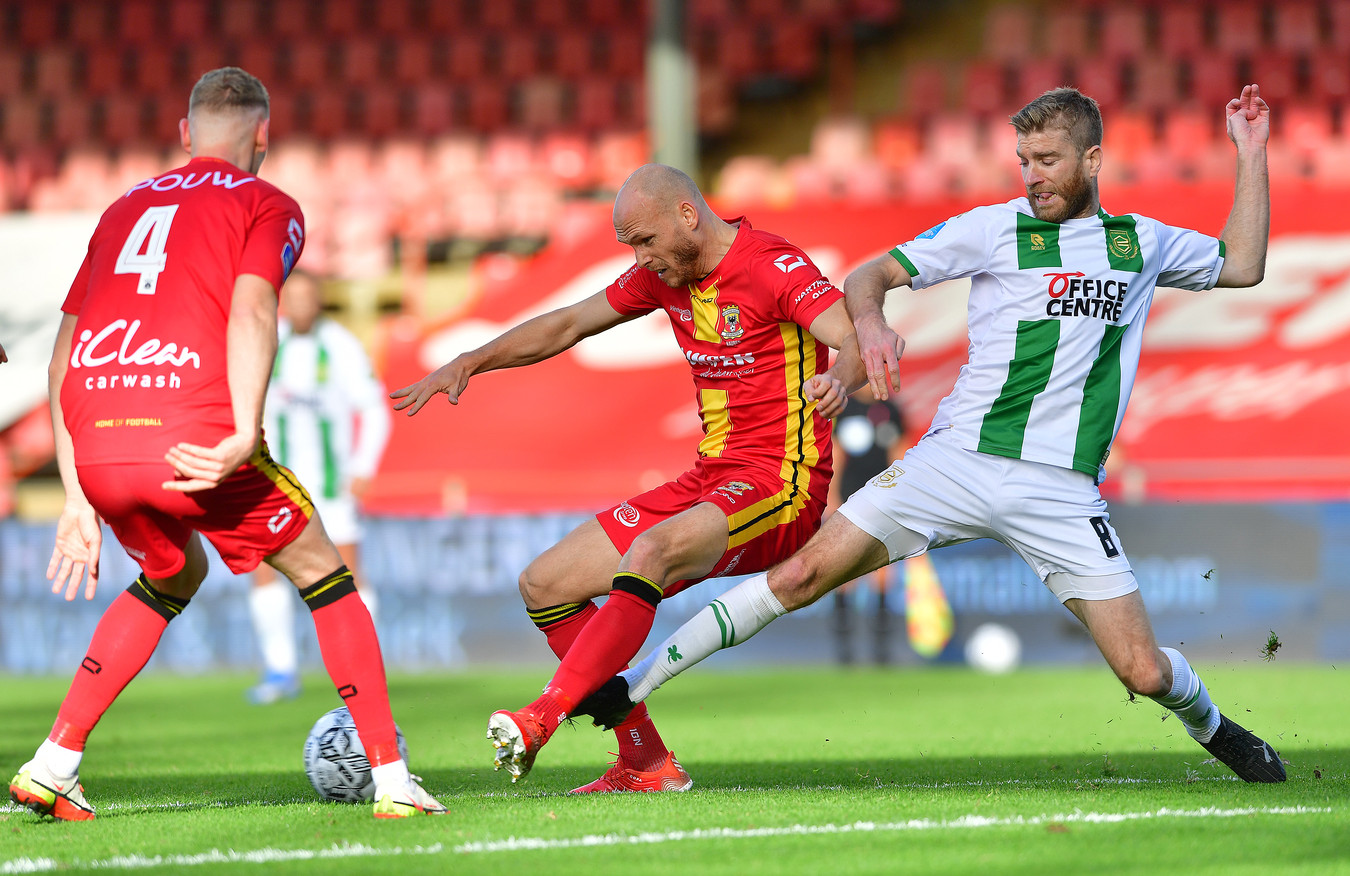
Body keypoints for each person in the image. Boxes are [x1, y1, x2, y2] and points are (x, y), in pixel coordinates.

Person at [582, 85, 1286, 784]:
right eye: (1023, 160)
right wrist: (873, 322)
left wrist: (1250, 152)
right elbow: (870, 274)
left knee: (1143, 669)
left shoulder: (1141, 243)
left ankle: (1217, 729)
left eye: (1047, 159)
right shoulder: (993, 228)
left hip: (1059, 489)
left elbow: (1244, 265)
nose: (1032, 175)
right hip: (954, 462)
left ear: (1094, 159)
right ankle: (636, 686)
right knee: (800, 574)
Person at [7, 67, 445, 821]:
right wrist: (243, 428)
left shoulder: (119, 209)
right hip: (192, 436)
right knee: (324, 574)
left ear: (184, 135)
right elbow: (252, 307)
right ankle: (392, 778)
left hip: (101, 442)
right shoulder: (265, 202)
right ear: (263, 137)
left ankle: (54, 762)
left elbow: (61, 353)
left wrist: (76, 493)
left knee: (171, 573)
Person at [392, 163, 863, 791]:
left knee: (649, 551)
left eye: (644, 240)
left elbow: (851, 335)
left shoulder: (772, 266)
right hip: (709, 480)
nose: (641, 258)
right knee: (545, 583)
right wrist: (472, 360)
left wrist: (840, 378)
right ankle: (644, 760)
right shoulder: (664, 277)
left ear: (686, 215)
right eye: (631, 246)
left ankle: (541, 718)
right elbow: (566, 324)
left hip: (783, 485)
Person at [245, 269, 392, 704]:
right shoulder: (269, 340)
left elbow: (376, 410)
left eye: (309, 296)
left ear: (320, 300)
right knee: (264, 571)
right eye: (292, 296)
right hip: (277, 483)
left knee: (348, 571)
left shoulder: (341, 345)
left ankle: (364, 666)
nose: (300, 304)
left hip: (332, 484)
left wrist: (363, 466)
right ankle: (280, 670)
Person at [829, 388, 952, 664]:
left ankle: (880, 650)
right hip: (849, 500)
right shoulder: (844, 409)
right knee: (844, 575)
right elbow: (835, 455)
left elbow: (900, 455)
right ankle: (844, 651)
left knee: (883, 571)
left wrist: (902, 499)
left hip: (882, 501)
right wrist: (832, 497)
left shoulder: (891, 410)